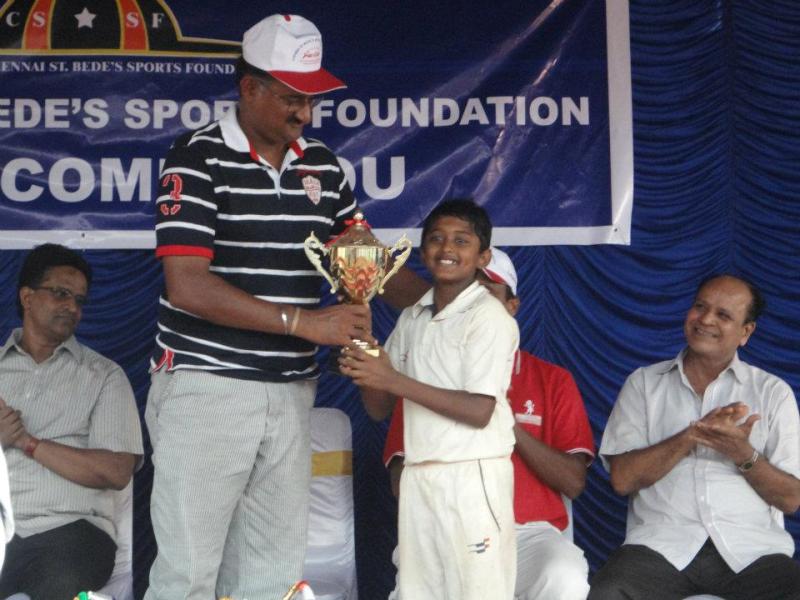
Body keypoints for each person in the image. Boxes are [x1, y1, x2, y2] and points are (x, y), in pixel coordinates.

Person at [145, 13, 426, 600]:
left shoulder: (320, 163)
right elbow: (187, 285)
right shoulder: (195, 157)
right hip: (207, 387)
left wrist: (456, 303)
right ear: (249, 88)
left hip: (292, 390)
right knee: (189, 575)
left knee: (273, 577)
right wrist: (304, 322)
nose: (305, 112)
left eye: (311, 99)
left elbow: (360, 256)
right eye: (291, 98)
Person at [383, 247, 594, 600]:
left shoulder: (551, 379)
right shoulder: (423, 374)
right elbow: (398, 481)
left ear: (511, 307)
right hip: (443, 529)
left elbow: (573, 483)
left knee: (565, 576)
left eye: (485, 293)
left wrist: (503, 423)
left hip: (527, 534)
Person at [340, 199, 519, 599]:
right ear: (422, 253)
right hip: (419, 477)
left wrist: (392, 377)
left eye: (461, 240)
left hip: (472, 478)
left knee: (478, 592)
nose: (447, 248)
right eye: (436, 239)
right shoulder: (413, 316)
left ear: (482, 256)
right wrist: (365, 356)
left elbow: (479, 410)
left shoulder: (489, 317)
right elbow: (378, 406)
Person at [589, 274, 800, 600]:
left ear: (746, 333)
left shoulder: (773, 393)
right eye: (700, 307)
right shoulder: (644, 384)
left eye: (723, 315)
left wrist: (742, 452)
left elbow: (790, 498)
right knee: (607, 592)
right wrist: (692, 436)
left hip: (752, 552)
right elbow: (622, 480)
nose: (705, 319)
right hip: (660, 549)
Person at [0, 243, 143, 599]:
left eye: (79, 300)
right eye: (61, 294)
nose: (72, 307)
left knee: (57, 582)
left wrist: (27, 442)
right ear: (27, 297)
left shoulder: (104, 376)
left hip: (71, 533)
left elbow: (115, 470)